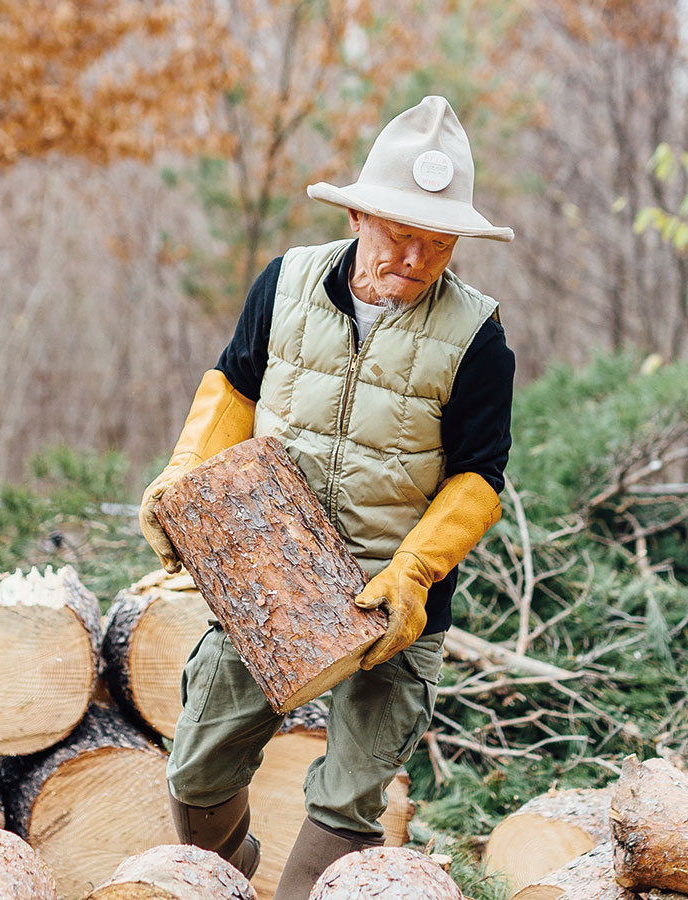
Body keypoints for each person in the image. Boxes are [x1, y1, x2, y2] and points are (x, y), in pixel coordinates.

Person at [139, 95, 516, 900]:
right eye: (400, 236)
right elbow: (231, 390)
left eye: (438, 243)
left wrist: (414, 575)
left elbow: (480, 477)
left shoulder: (479, 337)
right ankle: (224, 880)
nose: (416, 259)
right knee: (197, 771)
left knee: (349, 795)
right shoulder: (285, 283)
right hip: (268, 576)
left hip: (395, 600)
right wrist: (182, 482)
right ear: (357, 214)